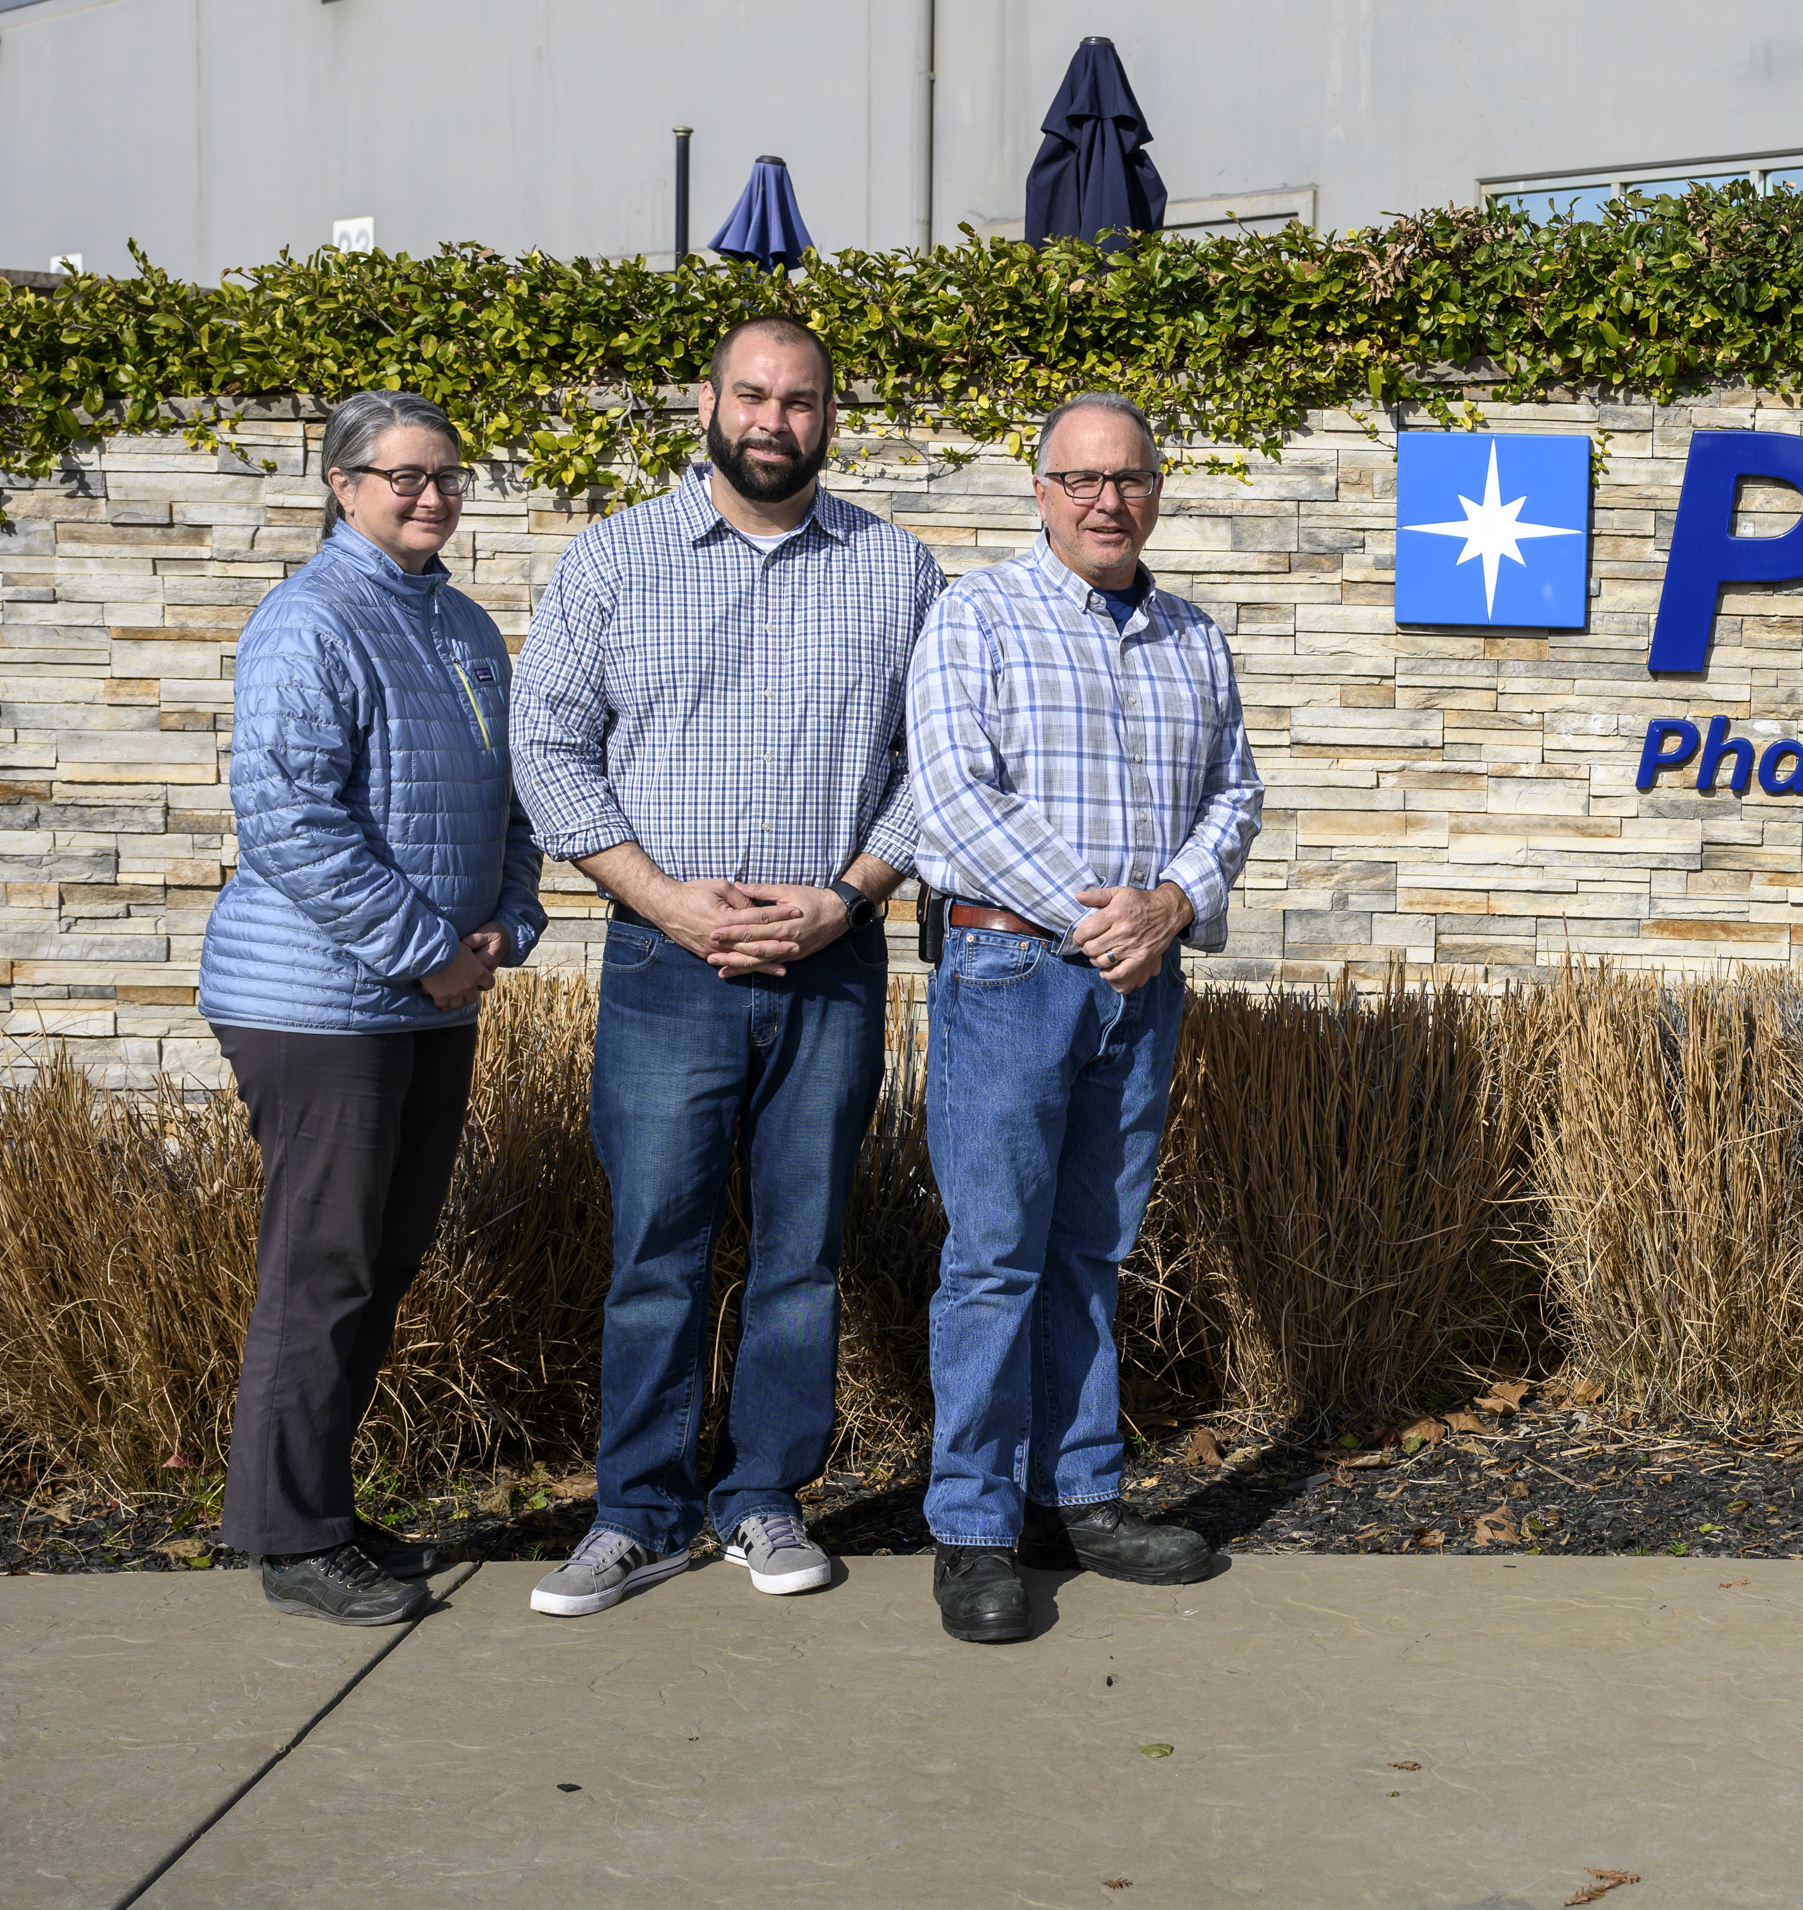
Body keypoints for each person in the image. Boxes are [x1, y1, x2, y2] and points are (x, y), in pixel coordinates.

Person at [510, 316, 946, 1616]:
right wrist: (662, 898)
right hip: (666, 964)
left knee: (802, 1250)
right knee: (658, 1249)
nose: (773, 418)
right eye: (751, 393)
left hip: (829, 964)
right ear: (708, 400)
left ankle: (763, 1494)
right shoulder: (615, 559)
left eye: (799, 400)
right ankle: (635, 1511)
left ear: (829, 415)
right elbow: (546, 745)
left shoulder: (894, 569)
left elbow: (943, 760)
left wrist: (848, 895)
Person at [902, 392, 1261, 1643]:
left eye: (1132, 477)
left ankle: (1084, 1495)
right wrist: (1094, 911)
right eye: (1083, 478)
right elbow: (950, 794)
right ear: (1041, 491)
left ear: (1156, 489)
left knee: (1089, 1252)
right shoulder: (975, 617)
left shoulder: (1194, 638)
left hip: (1140, 983)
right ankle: (974, 1525)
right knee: (995, 1255)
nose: (1109, 499)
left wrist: (1167, 904)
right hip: (1010, 975)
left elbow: (1234, 792)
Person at [203, 390, 547, 1625]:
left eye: (447, 475)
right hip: (320, 1005)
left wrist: (508, 920)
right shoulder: (309, 621)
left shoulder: (460, 625)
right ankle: (290, 1537)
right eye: (401, 475)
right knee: (326, 1264)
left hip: (426, 1001)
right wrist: (425, 951)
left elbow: (511, 802)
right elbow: (291, 818)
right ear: (341, 488)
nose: (429, 495)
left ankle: (325, 1507)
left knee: (380, 1260)